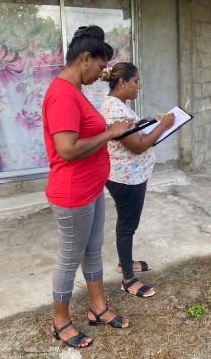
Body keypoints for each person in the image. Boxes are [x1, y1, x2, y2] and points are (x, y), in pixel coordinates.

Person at [42, 25, 132, 348]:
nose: (102, 73)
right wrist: (110, 133)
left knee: (93, 250)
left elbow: (83, 132)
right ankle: (61, 321)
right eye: (101, 66)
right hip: (73, 194)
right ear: (85, 58)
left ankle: (97, 307)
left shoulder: (74, 91)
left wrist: (110, 128)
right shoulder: (62, 94)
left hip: (91, 189)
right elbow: (67, 149)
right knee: (69, 258)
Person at [100, 62, 174, 298]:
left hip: (129, 175)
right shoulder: (116, 110)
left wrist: (151, 123)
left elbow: (132, 132)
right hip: (126, 178)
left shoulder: (119, 105)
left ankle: (125, 261)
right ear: (122, 82)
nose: (138, 86)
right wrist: (163, 126)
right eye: (135, 81)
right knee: (127, 225)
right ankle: (127, 278)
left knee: (127, 223)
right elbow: (138, 146)